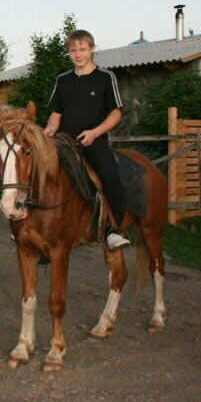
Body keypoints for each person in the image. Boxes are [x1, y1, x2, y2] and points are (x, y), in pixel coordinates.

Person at [43, 29, 130, 251]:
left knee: (109, 174)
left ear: (92, 49)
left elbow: (115, 114)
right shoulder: (63, 80)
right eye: (73, 50)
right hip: (64, 142)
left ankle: (114, 230)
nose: (78, 54)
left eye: (82, 49)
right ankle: (37, 226)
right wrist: (50, 129)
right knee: (40, 171)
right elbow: (56, 114)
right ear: (69, 52)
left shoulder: (105, 77)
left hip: (94, 141)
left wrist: (95, 133)